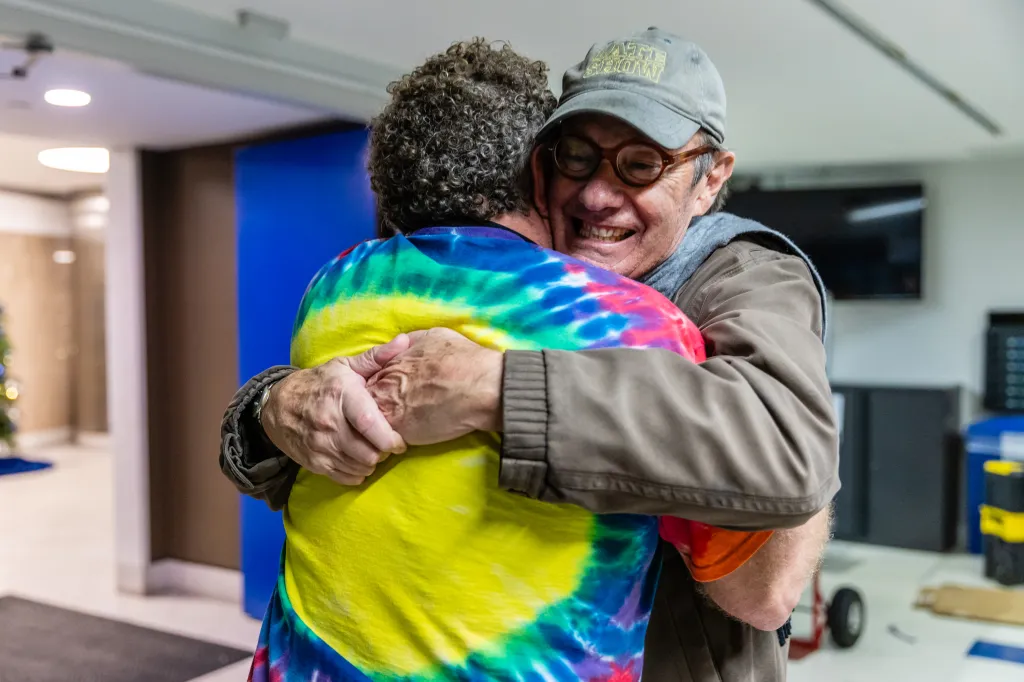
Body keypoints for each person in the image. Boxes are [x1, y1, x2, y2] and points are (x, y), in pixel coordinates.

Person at [223, 28, 838, 681]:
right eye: (577, 157)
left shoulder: (745, 276)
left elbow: (770, 564)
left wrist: (493, 387)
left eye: (641, 165)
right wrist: (271, 406)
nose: (598, 195)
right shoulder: (503, 278)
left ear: (710, 177)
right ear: (539, 166)